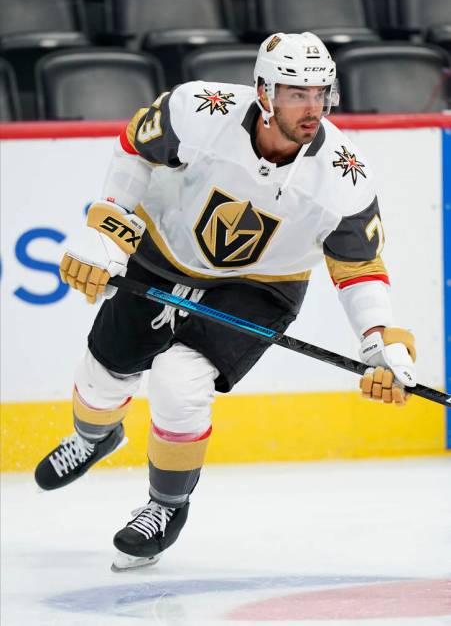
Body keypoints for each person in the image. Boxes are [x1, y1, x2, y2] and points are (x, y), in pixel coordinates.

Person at [34, 32, 416, 570]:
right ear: (263, 90)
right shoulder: (198, 108)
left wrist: (378, 339)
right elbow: (135, 149)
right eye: (295, 93)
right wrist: (108, 225)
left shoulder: (344, 173)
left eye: (320, 94)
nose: (312, 109)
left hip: (262, 285)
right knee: (103, 373)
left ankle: (165, 507)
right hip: (164, 248)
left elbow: (358, 267)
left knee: (179, 379)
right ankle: (94, 436)